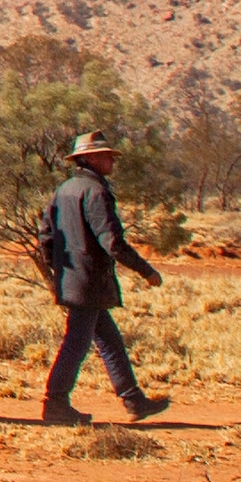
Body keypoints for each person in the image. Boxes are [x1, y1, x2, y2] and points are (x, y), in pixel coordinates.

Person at [32, 128, 171, 425]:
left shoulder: (64, 190)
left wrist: (59, 273)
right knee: (77, 342)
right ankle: (55, 402)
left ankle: (134, 400)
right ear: (91, 158)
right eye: (107, 156)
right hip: (90, 281)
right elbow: (112, 242)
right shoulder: (96, 192)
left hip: (73, 279)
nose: (112, 161)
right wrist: (146, 270)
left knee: (109, 340)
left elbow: (45, 237)